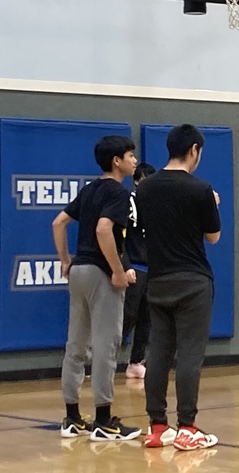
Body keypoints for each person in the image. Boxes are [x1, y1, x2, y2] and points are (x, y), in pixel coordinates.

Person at [137, 124, 222, 452]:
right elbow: (212, 237)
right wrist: (211, 205)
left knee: (157, 351)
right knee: (189, 353)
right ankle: (187, 426)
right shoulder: (201, 190)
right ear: (194, 150)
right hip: (193, 281)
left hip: (158, 279)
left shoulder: (144, 189)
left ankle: (157, 426)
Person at [53, 135, 140, 441]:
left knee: (76, 345)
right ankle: (104, 420)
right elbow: (105, 229)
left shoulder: (89, 189)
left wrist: (65, 261)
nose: (134, 161)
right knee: (106, 345)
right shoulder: (119, 192)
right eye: (130, 155)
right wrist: (117, 270)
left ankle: (72, 417)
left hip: (79, 271)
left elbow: (58, 223)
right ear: (117, 161)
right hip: (101, 274)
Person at [121, 162, 156, 380]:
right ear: (136, 180)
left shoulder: (157, 206)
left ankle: (136, 360)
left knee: (147, 317)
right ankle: (104, 359)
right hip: (134, 267)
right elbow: (119, 237)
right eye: (144, 179)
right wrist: (125, 266)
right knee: (127, 315)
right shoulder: (128, 203)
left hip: (152, 269)